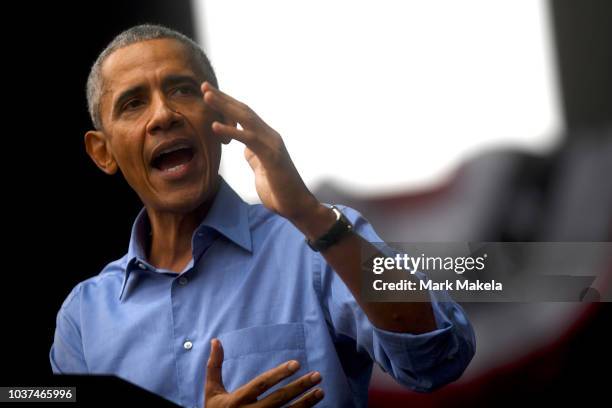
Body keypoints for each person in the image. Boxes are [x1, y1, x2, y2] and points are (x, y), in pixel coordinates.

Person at [49, 24, 475, 408]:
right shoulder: (84, 319)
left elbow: (437, 359)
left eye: (181, 89)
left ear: (219, 114)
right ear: (102, 152)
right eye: (133, 103)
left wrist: (309, 213)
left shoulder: (316, 243)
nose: (163, 115)